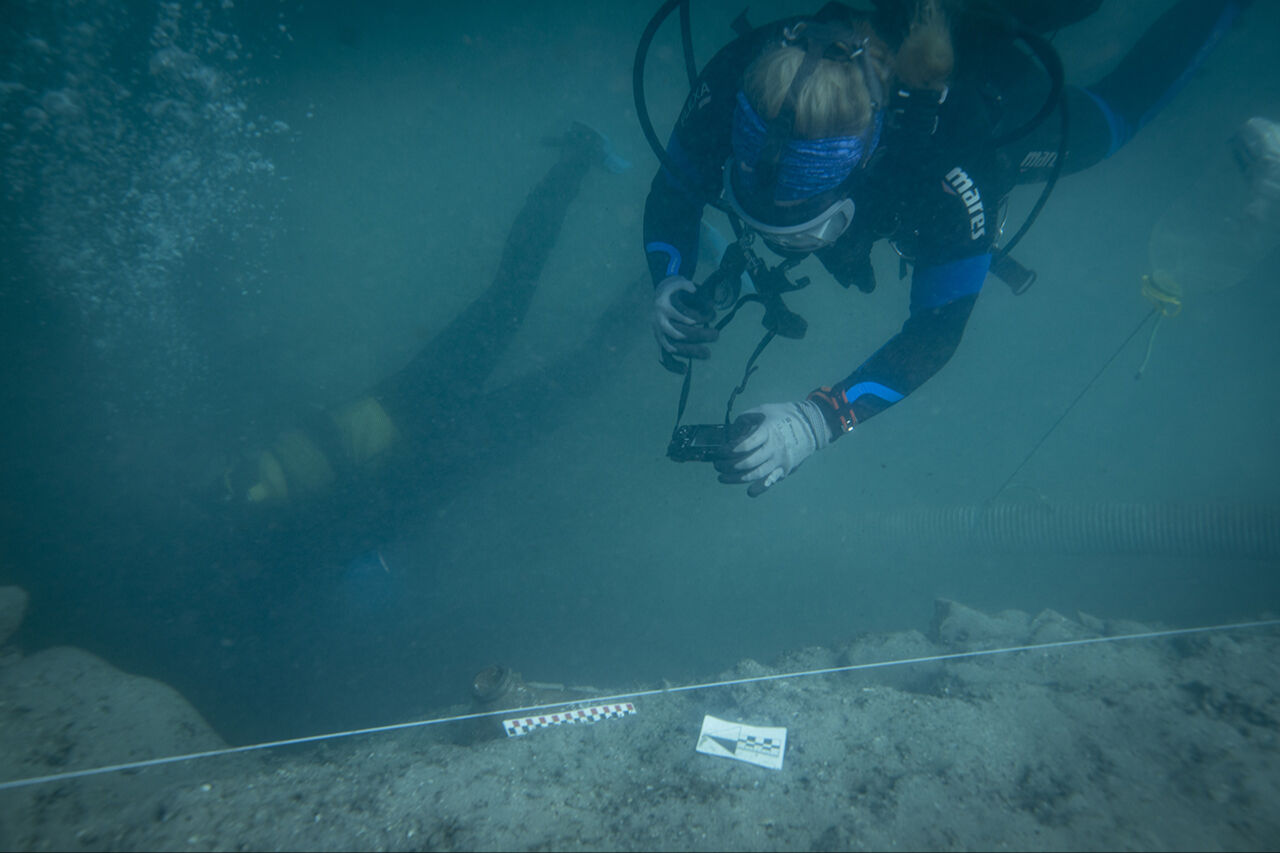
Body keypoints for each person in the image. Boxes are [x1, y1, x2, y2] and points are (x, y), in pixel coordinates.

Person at [642, 0, 1252, 496]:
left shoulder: (950, 162)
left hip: (987, 88)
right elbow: (676, 187)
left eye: (800, 221)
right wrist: (668, 278)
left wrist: (821, 419)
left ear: (863, 165)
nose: (780, 229)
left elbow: (937, 329)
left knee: (1114, 119)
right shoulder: (738, 75)